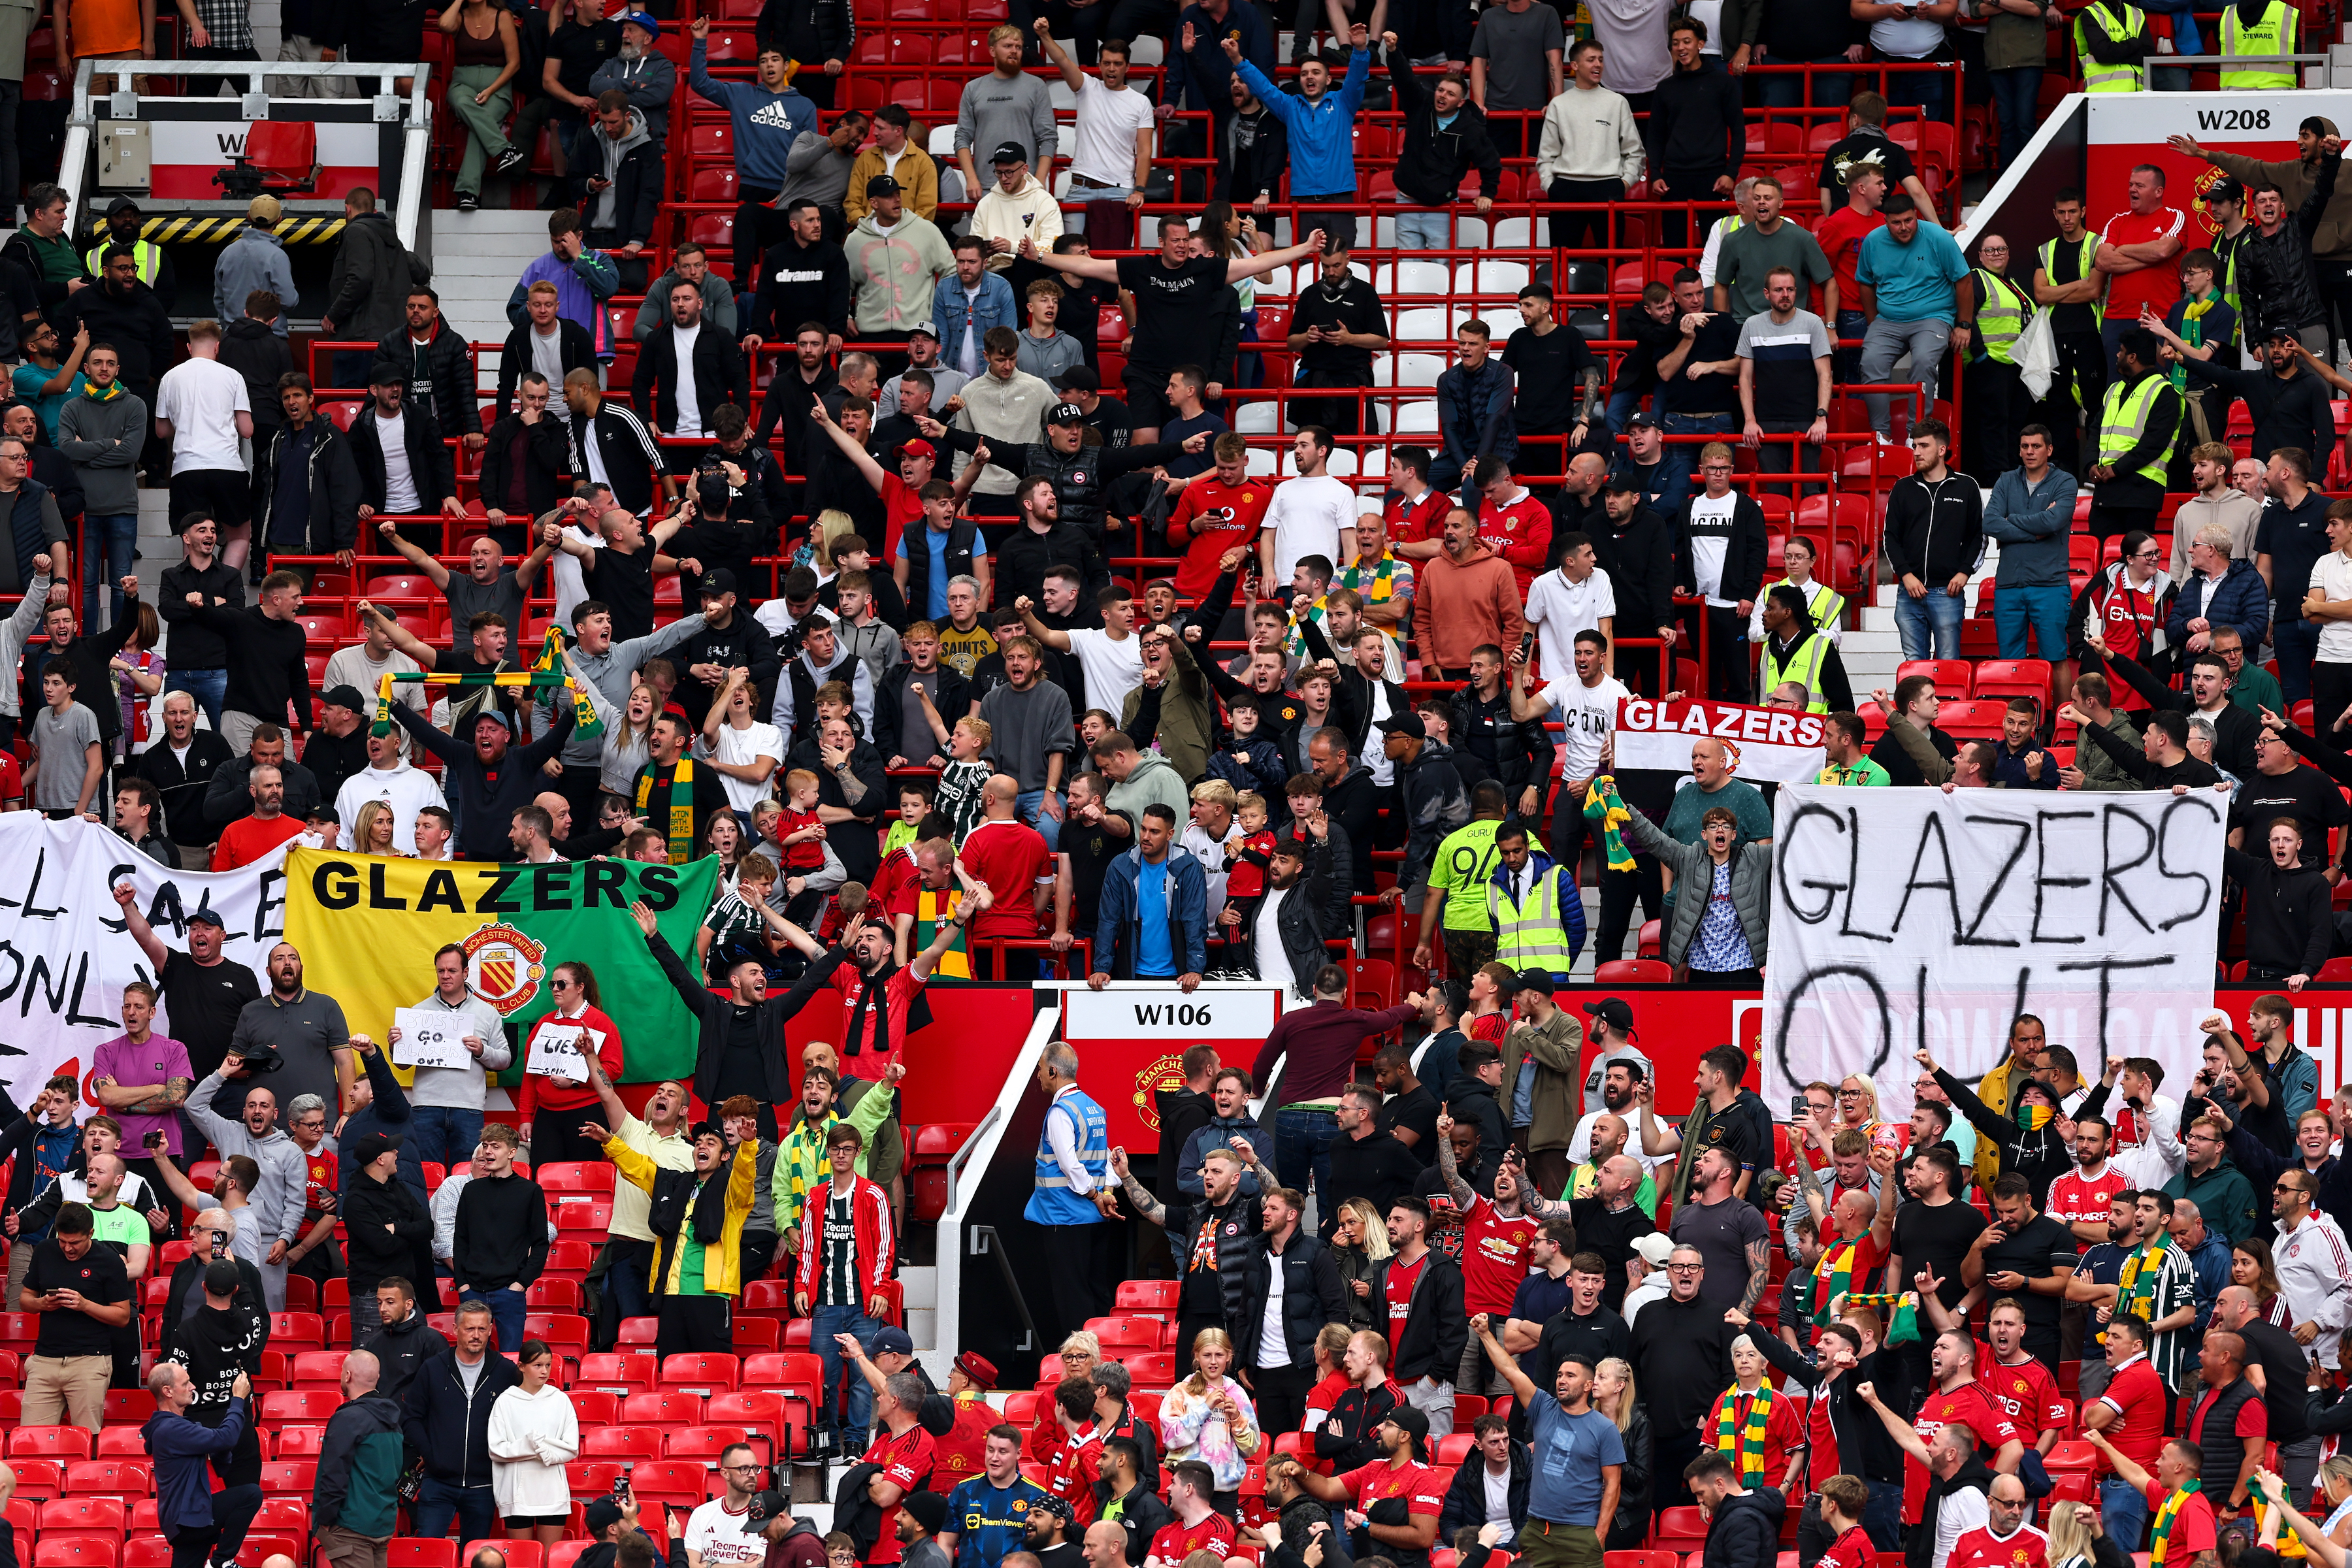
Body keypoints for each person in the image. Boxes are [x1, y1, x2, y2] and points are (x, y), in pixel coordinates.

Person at [404, 1299, 523, 1543]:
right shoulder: (433, 1369)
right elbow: (411, 1417)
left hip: (484, 1485)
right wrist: (430, 1453)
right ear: (456, 1329)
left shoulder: (506, 1372)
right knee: (428, 1552)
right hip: (438, 1483)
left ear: (491, 1329)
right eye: (470, 1329)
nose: (476, 1336)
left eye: (482, 1329)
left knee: (474, 1556)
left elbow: (522, 1417)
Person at [21, 1202, 132, 1431]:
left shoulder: (110, 1260)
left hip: (89, 1360)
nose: (68, 1248)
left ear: (90, 1234)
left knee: (86, 1435)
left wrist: (85, 1305)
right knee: (31, 1439)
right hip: (45, 1359)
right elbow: (25, 1300)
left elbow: (123, 1316)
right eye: (62, 1241)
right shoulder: (44, 1250)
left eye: (75, 1243)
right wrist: (42, 1303)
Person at [146, 1355, 261, 1568]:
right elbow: (225, 1438)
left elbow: (222, 1464)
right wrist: (237, 1399)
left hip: (188, 1522)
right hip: (189, 1518)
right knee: (250, 1495)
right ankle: (222, 1561)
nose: (193, 1386)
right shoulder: (170, 1428)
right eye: (185, 1383)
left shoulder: (179, 1427)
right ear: (167, 1391)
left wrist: (217, 1447)